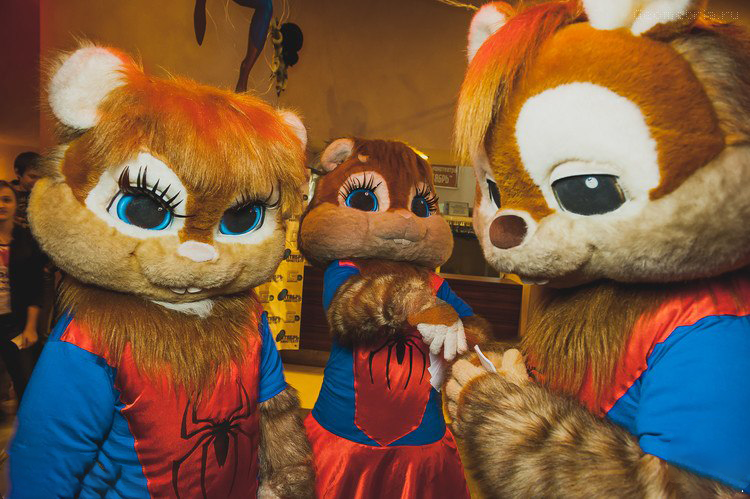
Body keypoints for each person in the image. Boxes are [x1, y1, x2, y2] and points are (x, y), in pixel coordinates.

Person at [0, 180, 43, 405]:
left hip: (15, 323)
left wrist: (31, 327)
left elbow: (36, 287)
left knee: (25, 381)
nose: (1, 205)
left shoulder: (26, 241)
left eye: (6, 200)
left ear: (16, 204)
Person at [11, 152, 41, 228]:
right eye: (32, 176)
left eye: (41, 177)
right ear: (18, 172)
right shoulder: (6, 192)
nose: (38, 182)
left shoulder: (45, 194)